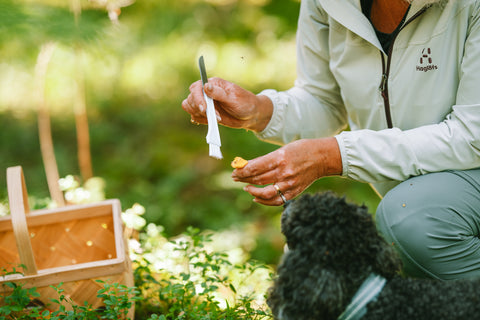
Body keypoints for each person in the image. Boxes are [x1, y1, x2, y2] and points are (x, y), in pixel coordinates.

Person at [182, 0, 480, 280]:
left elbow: (472, 135)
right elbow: (325, 99)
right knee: (410, 216)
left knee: (412, 220)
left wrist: (333, 155)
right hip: (426, 193)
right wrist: (259, 111)